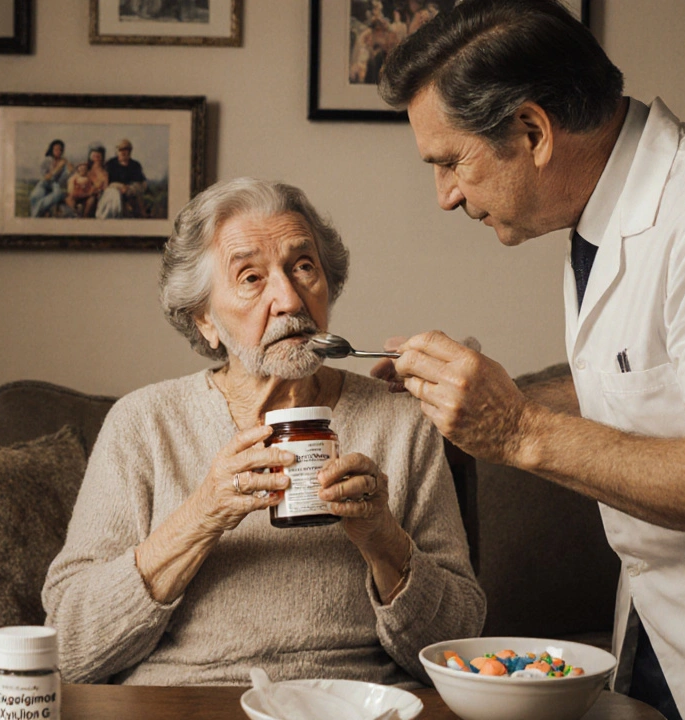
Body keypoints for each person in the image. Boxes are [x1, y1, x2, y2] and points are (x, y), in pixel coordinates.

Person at [374, 1, 685, 718]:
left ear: (532, 130)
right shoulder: (604, 216)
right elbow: (635, 379)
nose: (446, 195)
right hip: (661, 642)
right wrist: (475, 397)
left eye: (450, 162)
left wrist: (516, 430)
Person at [42, 177, 485, 686]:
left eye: (303, 267)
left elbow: (459, 645)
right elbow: (70, 647)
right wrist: (202, 514)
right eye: (251, 277)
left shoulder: (400, 422)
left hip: (351, 704)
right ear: (205, 318)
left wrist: (384, 539)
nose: (289, 299)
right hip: (185, 705)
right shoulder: (143, 424)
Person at [95, 138, 148, 219]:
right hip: (112, 192)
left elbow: (142, 183)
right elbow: (106, 182)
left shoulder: (135, 165)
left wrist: (129, 188)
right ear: (117, 151)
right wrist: (118, 186)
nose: (123, 152)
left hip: (130, 192)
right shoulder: (111, 163)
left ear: (130, 151)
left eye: (126, 149)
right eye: (120, 150)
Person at [27, 139, 71, 218]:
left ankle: (35, 215)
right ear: (52, 150)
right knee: (34, 196)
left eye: (60, 149)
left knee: (57, 194)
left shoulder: (64, 162)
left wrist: (67, 167)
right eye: (56, 149)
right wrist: (58, 167)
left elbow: (66, 177)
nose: (58, 151)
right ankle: (37, 213)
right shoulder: (47, 160)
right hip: (45, 183)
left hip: (55, 184)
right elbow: (46, 177)